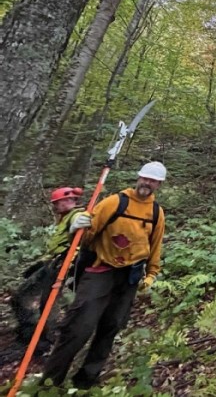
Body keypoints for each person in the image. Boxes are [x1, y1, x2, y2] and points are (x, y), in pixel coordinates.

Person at [41, 162, 167, 389]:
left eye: (153, 181)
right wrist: (76, 229)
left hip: (129, 277)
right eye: (145, 178)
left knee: (110, 328)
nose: (147, 183)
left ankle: (85, 382)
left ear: (159, 184)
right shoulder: (114, 202)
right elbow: (86, 237)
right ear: (138, 178)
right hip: (100, 271)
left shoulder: (156, 213)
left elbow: (155, 246)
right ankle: (50, 382)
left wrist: (151, 273)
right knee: (79, 327)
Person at [10, 187, 84, 349]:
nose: (56, 207)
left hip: (65, 264)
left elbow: (82, 237)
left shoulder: (77, 216)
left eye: (58, 203)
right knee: (23, 295)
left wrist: (70, 262)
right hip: (54, 262)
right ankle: (30, 331)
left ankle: (45, 341)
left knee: (48, 303)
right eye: (56, 203)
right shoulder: (64, 218)